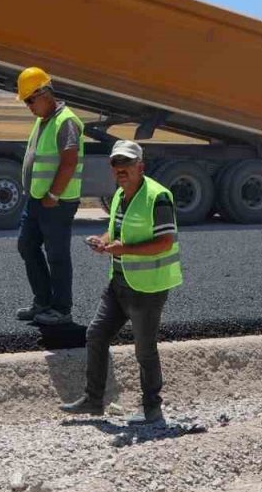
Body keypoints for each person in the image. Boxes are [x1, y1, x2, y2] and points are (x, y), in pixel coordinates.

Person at [62, 140, 181, 425]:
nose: (121, 169)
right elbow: (114, 230)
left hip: (148, 287)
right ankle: (94, 400)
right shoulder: (118, 195)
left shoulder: (158, 197)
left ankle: (152, 409)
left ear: (141, 166)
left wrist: (123, 250)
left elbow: (165, 242)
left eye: (127, 163)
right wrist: (103, 242)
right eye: (116, 163)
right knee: (96, 334)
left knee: (144, 349)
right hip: (119, 282)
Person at [15, 67, 84, 326]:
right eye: (25, 101)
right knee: (26, 245)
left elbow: (69, 161)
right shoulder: (43, 119)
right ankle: (42, 302)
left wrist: (54, 194)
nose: (28, 106)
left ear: (44, 93)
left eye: (30, 100)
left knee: (57, 255)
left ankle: (61, 309)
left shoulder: (66, 121)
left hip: (58, 202)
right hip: (37, 199)